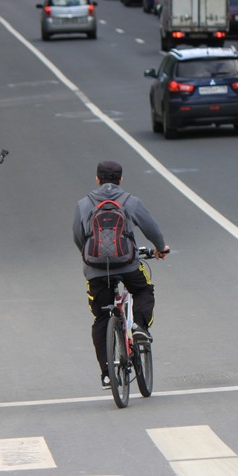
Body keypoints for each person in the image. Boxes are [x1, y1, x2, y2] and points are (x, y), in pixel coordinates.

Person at [72, 161, 169, 390]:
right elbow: (151, 229)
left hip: (95, 270)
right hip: (128, 265)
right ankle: (139, 328)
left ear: (97, 179)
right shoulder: (130, 201)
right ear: (121, 179)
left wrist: (90, 259)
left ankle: (107, 374)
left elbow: (78, 236)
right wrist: (160, 247)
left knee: (101, 318)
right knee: (144, 288)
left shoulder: (84, 204)